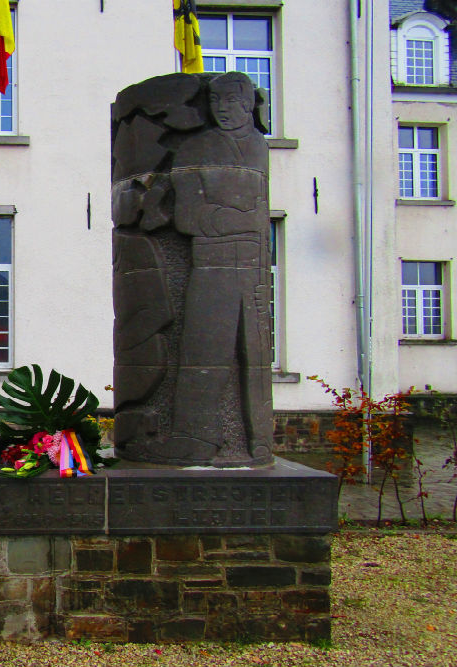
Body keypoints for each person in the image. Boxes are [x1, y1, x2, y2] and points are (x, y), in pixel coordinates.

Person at [167, 71, 273, 464]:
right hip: (211, 264)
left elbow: (263, 218)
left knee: (255, 356)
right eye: (216, 102)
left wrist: (244, 224)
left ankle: (257, 443)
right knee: (203, 352)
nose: (224, 110)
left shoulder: (260, 146)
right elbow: (188, 217)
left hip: (254, 265)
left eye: (232, 101)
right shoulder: (195, 149)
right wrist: (240, 219)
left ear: (249, 103)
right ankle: (195, 438)